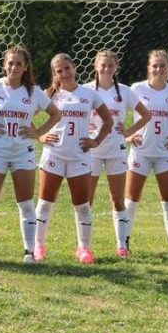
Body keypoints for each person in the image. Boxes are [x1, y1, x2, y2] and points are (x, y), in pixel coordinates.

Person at [0, 46, 60, 263]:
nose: (14, 67)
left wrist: (38, 133)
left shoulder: (33, 92)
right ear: (4, 65)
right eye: (10, 63)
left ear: (25, 67)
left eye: (19, 64)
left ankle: (29, 252)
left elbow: (55, 114)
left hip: (23, 152)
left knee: (25, 202)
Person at [33, 53, 113, 264]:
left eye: (67, 68)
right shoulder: (49, 95)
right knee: (45, 203)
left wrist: (95, 141)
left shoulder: (89, 94)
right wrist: (40, 135)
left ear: (74, 67)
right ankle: (38, 246)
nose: (65, 73)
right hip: (54, 155)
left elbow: (108, 120)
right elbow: (26, 116)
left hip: (79, 157)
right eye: (59, 71)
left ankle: (84, 248)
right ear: (55, 74)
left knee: (82, 205)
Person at [125, 49, 168, 255]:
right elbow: (118, 112)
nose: (158, 69)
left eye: (162, 66)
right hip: (141, 152)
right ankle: (124, 242)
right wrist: (127, 136)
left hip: (165, 153)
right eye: (154, 65)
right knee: (132, 199)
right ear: (148, 68)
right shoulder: (136, 88)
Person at [85, 50, 151, 257]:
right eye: (103, 65)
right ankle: (85, 246)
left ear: (116, 68)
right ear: (95, 66)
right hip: (92, 150)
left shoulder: (124, 91)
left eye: (110, 65)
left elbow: (146, 114)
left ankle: (122, 245)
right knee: (87, 200)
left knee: (118, 199)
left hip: (116, 150)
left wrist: (129, 132)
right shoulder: (86, 90)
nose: (106, 69)